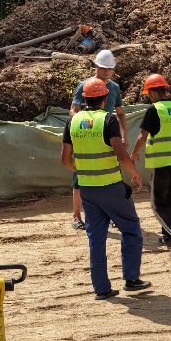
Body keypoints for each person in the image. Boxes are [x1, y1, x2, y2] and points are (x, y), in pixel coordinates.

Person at [63, 77, 151, 300]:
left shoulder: (72, 121)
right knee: (131, 229)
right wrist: (134, 172)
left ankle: (101, 289)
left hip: (87, 190)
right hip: (111, 187)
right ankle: (131, 279)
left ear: (84, 99)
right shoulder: (108, 119)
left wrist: (83, 170)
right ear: (104, 98)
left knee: (96, 238)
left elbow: (65, 159)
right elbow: (121, 154)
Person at [129, 74, 171, 256]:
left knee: (158, 205)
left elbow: (142, 136)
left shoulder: (155, 110)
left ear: (152, 92)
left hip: (162, 165)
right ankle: (168, 236)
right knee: (170, 201)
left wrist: (134, 153)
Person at [69, 49, 125, 230]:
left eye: (109, 69)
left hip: (108, 136)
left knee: (110, 175)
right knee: (80, 176)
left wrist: (123, 135)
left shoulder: (114, 88)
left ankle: (112, 215)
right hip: (87, 135)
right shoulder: (84, 85)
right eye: (103, 68)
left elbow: (120, 113)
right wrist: (85, 124)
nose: (106, 72)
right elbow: (73, 110)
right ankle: (76, 216)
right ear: (96, 67)